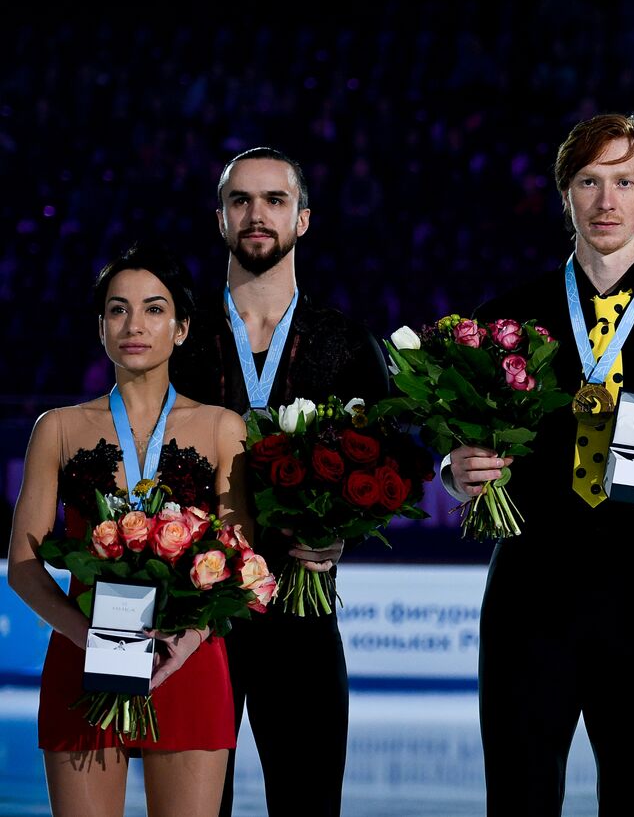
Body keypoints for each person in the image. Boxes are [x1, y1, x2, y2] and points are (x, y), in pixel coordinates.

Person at [442, 113, 634, 815]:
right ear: (566, 194)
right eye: (589, 181)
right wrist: (454, 469)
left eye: (625, 182)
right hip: (528, 595)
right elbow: (463, 449)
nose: (607, 201)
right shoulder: (507, 314)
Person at [170, 147, 390, 817]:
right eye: (240, 201)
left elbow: (385, 469)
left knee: (309, 804)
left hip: (301, 612)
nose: (256, 215)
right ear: (220, 220)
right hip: (196, 621)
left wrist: (342, 534)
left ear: (304, 220)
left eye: (274, 201)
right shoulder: (179, 336)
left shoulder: (347, 342)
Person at [8, 244, 249, 816]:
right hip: (82, 656)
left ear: (182, 328)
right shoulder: (58, 428)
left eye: (153, 309)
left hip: (186, 658)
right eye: (118, 310)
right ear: (101, 327)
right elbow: (23, 564)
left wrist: (183, 645)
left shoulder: (221, 427)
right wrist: (87, 637)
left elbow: (242, 561)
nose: (134, 325)